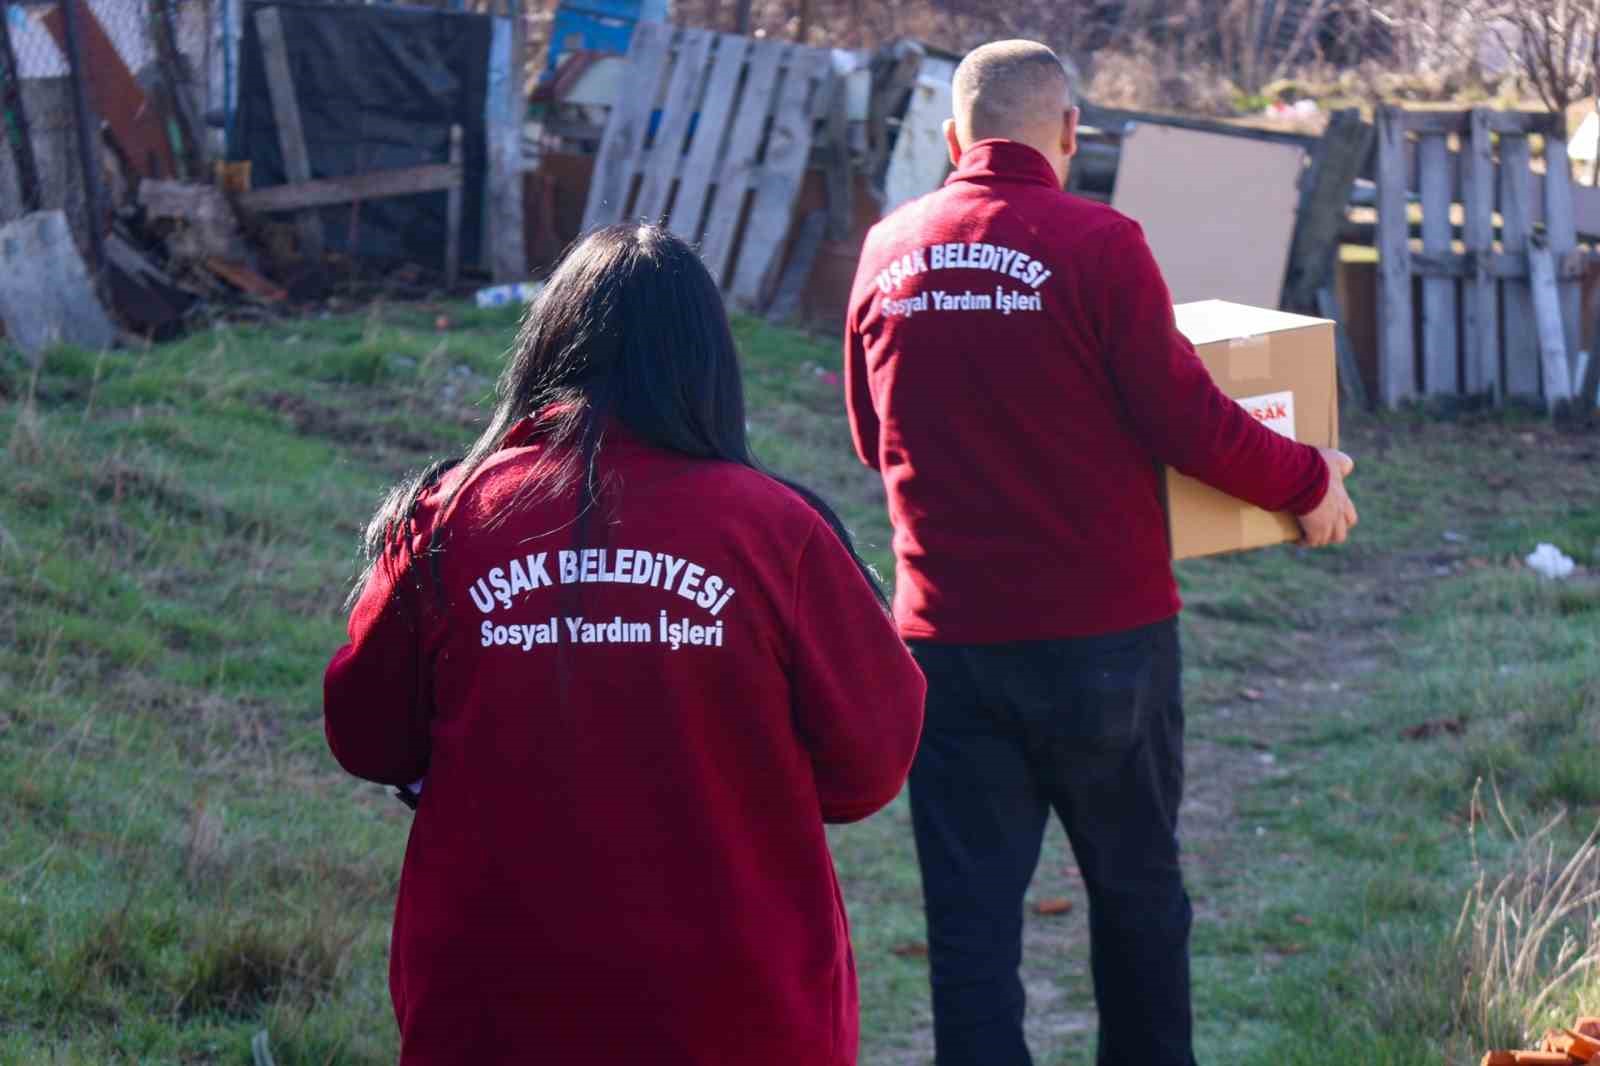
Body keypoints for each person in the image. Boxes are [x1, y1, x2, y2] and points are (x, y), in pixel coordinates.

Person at [843, 40, 1358, 1066]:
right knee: (1136, 897)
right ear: (1071, 132)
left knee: (970, 923)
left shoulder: (886, 247)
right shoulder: (1101, 243)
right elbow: (1187, 418)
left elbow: (869, 433)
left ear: (951, 137)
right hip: (1104, 643)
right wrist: (1307, 481)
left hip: (946, 646)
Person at [324, 223, 926, 1065]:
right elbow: (870, 766)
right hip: (739, 1012)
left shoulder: (449, 519)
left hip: (493, 1009)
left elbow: (367, 736)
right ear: (708, 363)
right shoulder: (779, 532)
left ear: (545, 348)